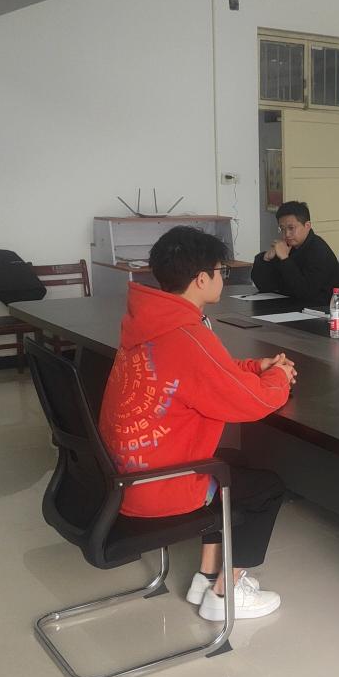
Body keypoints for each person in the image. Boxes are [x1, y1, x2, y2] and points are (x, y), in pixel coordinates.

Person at [100, 226, 297, 622]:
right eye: (221, 270)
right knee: (266, 489)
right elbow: (253, 402)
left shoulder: (151, 324)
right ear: (201, 279)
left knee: (232, 460)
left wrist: (254, 366)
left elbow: (205, 372)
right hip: (157, 486)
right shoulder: (186, 335)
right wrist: (280, 376)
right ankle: (225, 594)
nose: (224, 277)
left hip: (126, 474)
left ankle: (206, 576)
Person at [250, 200, 339, 308]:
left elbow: (305, 292)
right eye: (282, 229)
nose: (287, 234)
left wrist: (285, 259)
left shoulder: (319, 251)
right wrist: (266, 259)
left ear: (307, 226)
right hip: (292, 305)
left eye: (291, 228)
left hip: (320, 309)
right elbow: (265, 286)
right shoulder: (287, 247)